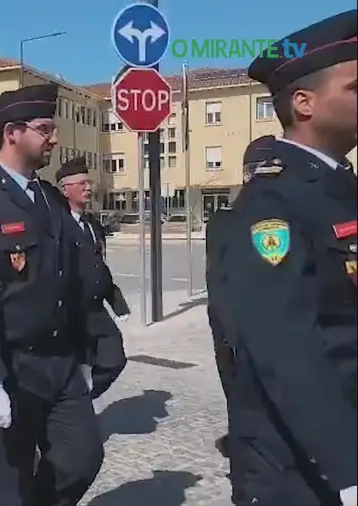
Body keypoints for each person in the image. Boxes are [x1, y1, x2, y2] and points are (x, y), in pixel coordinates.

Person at [215, 10, 357, 506]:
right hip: (300, 463)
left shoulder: (340, 186)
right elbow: (285, 343)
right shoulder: (272, 202)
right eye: (356, 87)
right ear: (304, 103)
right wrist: (346, 464)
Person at [0, 84, 104, 506]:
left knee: (81, 458)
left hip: (59, 362)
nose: (53, 138)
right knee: (7, 486)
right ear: (12, 132)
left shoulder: (49, 199)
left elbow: (75, 281)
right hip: (7, 365)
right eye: (45, 129)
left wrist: (87, 349)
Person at [207, 135, 279, 465]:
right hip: (237, 330)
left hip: (271, 332)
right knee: (243, 402)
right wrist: (232, 334)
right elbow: (219, 282)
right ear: (249, 175)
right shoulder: (226, 220)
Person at [55, 156, 128, 399]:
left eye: (89, 183)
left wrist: (117, 301)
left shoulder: (92, 224)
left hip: (96, 310)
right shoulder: (57, 226)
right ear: (65, 189)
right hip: (71, 312)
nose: (88, 188)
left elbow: (100, 266)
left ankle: (78, 402)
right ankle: (71, 411)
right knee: (78, 365)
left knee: (114, 359)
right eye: (81, 183)